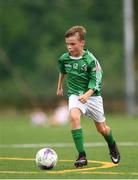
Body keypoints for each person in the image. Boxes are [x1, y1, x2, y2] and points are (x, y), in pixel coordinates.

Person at [56, 25, 120, 167]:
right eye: (67, 44)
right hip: (75, 95)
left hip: (93, 97)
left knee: (102, 130)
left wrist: (88, 93)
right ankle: (82, 155)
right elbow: (62, 71)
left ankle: (112, 144)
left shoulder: (91, 60)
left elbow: (97, 80)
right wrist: (60, 86)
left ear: (82, 43)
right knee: (73, 116)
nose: (69, 47)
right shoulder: (64, 59)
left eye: (73, 44)